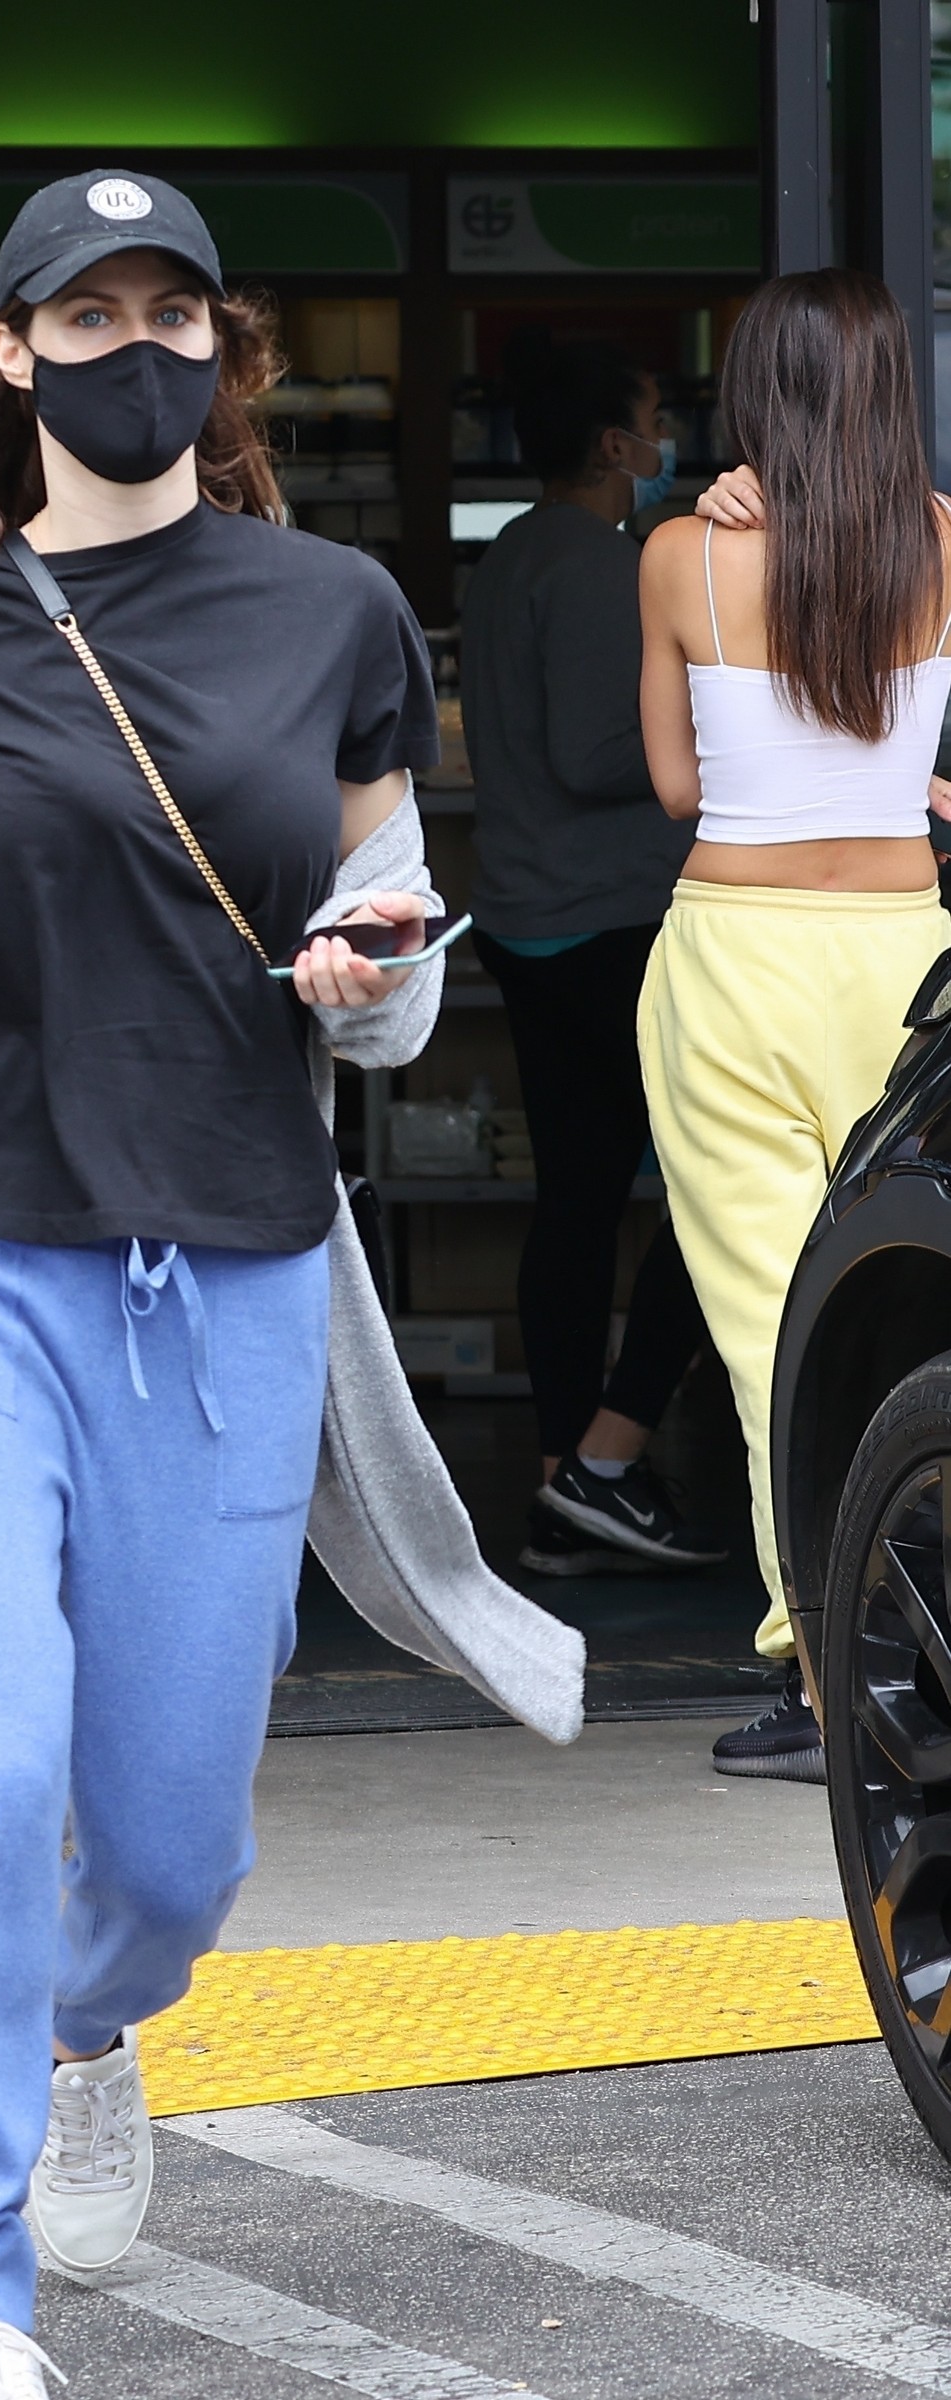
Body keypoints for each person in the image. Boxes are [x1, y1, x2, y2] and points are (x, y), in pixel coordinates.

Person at [0, 170, 585, 2399]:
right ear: (9, 351)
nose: (138, 348)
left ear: (225, 348)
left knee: (177, 1844)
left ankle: (88, 2021)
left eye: (173, 311)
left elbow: (395, 962)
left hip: (222, 1279)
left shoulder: (337, 613)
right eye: (88, 313)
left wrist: (371, 973)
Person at [639, 267, 951, 1785]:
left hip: (735, 960)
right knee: (922, 1308)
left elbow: (675, 788)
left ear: (752, 393)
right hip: (905, 959)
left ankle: (832, 1682)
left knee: (776, 1334)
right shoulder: (943, 540)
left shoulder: (681, 557)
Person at [461, 329, 721, 1578]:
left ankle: (567, 1480)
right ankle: (607, 1461)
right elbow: (594, 753)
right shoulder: (600, 562)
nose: (667, 440)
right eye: (656, 419)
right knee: (712, 1187)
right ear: (617, 444)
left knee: (574, 1201)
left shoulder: (511, 552)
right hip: (608, 924)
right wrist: (721, 732)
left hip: (530, 919)